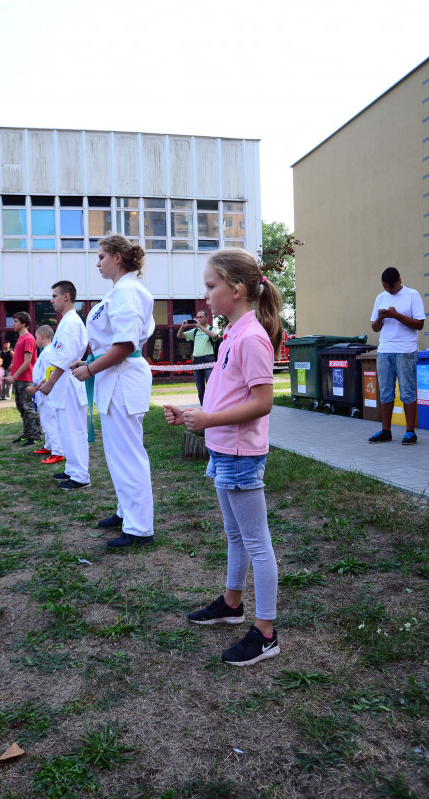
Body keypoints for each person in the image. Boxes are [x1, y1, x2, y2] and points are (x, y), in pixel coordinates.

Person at [164, 248, 282, 667]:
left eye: (211, 286)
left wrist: (209, 419)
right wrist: (193, 414)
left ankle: (265, 633)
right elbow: (226, 395)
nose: (206, 295)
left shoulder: (251, 337)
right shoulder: (232, 333)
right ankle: (232, 604)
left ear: (236, 289)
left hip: (239, 454)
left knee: (257, 543)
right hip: (223, 449)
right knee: (235, 535)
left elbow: (263, 402)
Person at [72, 233, 155, 548]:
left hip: (123, 377)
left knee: (128, 454)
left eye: (101, 256)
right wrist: (89, 361)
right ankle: (126, 511)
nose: (98, 263)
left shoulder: (128, 291)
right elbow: (112, 344)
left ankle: (139, 527)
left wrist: (90, 369)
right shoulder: (120, 290)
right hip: (115, 377)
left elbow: (125, 344)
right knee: (118, 453)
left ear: (117, 257)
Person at [39, 282, 89, 486]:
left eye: (54, 296)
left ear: (66, 296)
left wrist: (50, 383)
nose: (51, 300)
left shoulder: (71, 323)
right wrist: (49, 379)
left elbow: (65, 358)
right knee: (65, 430)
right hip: (63, 382)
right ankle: (72, 469)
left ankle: (80, 476)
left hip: (69, 382)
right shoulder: (66, 322)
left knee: (73, 430)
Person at [369, 267, 425, 445]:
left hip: (405, 350)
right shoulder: (380, 298)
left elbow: (419, 324)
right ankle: (386, 431)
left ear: (399, 280)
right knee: (386, 391)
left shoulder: (412, 295)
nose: (388, 290)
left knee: (407, 391)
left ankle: (410, 432)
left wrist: (396, 315)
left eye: (390, 287)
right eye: (385, 287)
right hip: (384, 350)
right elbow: (375, 328)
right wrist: (380, 318)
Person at [27, 325, 65, 465]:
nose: (36, 339)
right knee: (46, 421)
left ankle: (58, 452)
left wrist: (36, 388)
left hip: (47, 393)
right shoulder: (46, 351)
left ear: (42, 335)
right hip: (43, 393)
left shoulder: (49, 352)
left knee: (49, 422)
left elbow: (48, 374)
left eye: (36, 337)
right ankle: (49, 446)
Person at [4, 311, 41, 445]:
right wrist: (12, 372)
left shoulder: (28, 338)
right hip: (19, 379)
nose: (13, 324)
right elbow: (20, 360)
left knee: (29, 408)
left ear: (23, 323)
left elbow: (27, 362)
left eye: (16, 321)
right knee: (22, 407)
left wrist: (13, 377)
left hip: (26, 379)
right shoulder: (20, 339)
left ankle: (36, 436)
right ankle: (27, 434)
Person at [177, 310, 219, 405]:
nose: (198, 319)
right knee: (200, 388)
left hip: (209, 360)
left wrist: (200, 326)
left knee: (210, 387)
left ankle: (211, 407)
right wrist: (182, 327)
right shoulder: (195, 331)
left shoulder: (211, 329)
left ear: (207, 318)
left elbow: (214, 336)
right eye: (197, 317)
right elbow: (179, 336)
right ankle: (203, 407)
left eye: (201, 317)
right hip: (196, 360)